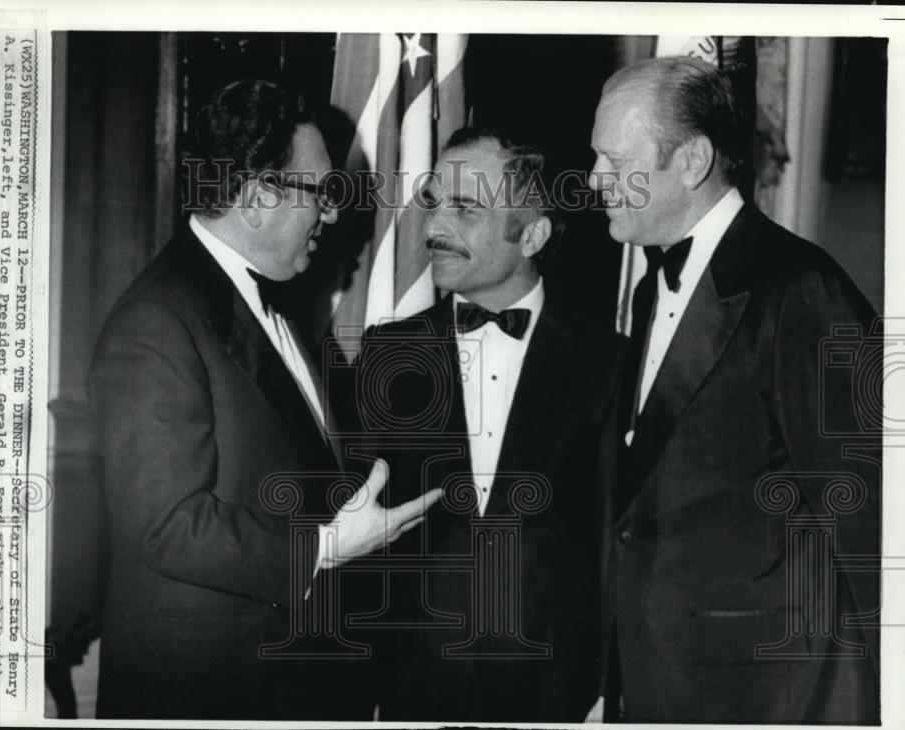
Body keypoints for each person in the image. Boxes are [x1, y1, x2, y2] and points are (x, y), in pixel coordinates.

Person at [88, 79, 438, 720]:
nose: (333, 215)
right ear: (255, 199)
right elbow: (170, 527)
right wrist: (328, 544)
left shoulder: (277, 301)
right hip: (211, 693)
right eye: (322, 192)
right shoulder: (155, 324)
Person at [588, 56, 880, 724]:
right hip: (657, 684)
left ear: (691, 161)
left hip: (767, 698)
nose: (595, 179)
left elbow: (866, 529)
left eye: (612, 159)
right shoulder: (646, 289)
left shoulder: (800, 290)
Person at [347, 128, 620, 722]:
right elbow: (356, 537)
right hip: (409, 684)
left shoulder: (610, 365)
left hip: (558, 694)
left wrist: (606, 690)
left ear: (533, 233)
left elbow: (614, 544)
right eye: (432, 203)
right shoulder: (386, 355)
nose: (433, 228)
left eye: (465, 208)